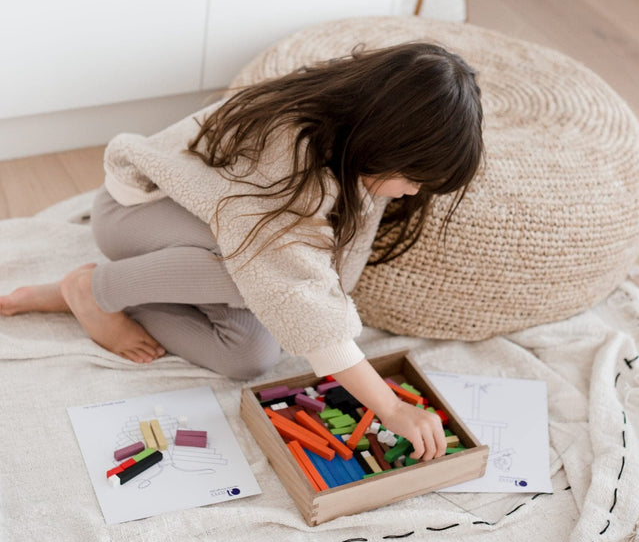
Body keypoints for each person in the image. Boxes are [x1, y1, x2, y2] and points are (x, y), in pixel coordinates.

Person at [1, 41, 483, 461]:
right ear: (389, 139)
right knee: (255, 273)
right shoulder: (293, 147)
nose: (412, 192)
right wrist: (390, 406)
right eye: (413, 178)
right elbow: (290, 278)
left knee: (249, 356)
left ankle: (115, 290)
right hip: (134, 214)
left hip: (215, 230)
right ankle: (91, 288)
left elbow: (309, 275)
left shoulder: (360, 157)